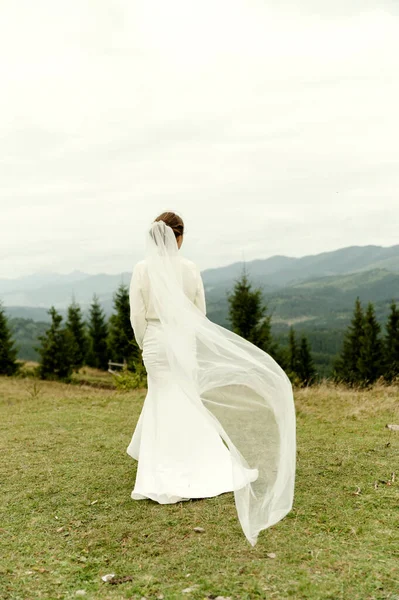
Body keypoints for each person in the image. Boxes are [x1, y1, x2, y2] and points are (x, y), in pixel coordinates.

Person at [127, 211, 296, 546]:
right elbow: (199, 313)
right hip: (184, 342)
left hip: (157, 343)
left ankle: (163, 468)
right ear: (180, 237)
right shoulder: (189, 269)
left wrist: (146, 342)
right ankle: (196, 461)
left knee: (162, 397)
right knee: (186, 400)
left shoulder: (141, 270)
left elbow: (136, 315)